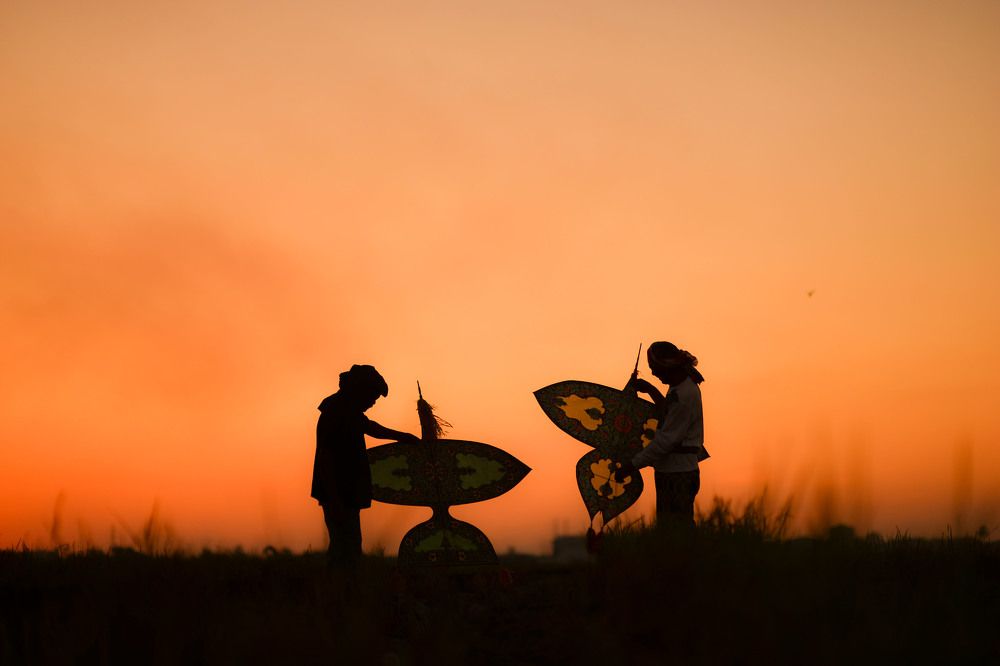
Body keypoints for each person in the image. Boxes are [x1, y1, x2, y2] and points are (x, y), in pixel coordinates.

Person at [311, 364, 419, 572]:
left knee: (348, 545)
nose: (372, 403)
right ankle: (342, 592)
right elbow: (326, 457)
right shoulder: (336, 411)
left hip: (345, 491)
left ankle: (345, 589)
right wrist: (334, 498)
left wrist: (402, 437)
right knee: (345, 548)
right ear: (358, 390)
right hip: (338, 492)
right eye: (371, 397)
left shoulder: (346, 411)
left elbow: (371, 428)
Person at [616, 342, 706, 530]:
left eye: (655, 369)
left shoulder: (684, 394)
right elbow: (669, 411)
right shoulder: (681, 388)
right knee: (672, 529)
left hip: (678, 473)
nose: (654, 374)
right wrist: (650, 390)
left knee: (675, 531)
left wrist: (632, 465)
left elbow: (667, 440)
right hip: (672, 470)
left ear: (667, 367)